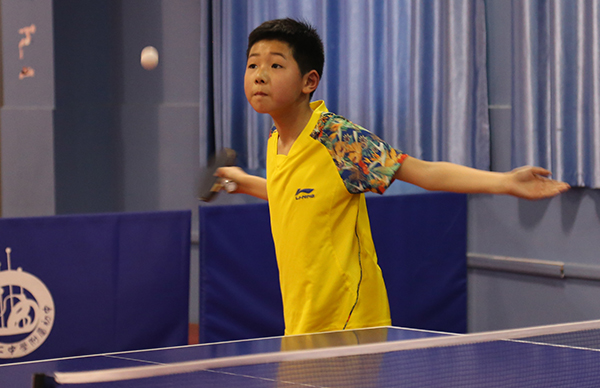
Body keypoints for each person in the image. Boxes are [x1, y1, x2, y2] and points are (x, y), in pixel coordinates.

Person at [216, 18, 570, 336]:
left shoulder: (337, 139)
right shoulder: (277, 139)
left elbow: (424, 172)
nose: (259, 75)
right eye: (253, 65)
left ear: (309, 81)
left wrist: (505, 182)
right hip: (303, 320)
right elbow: (298, 195)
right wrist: (243, 181)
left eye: (276, 65)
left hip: (348, 321)